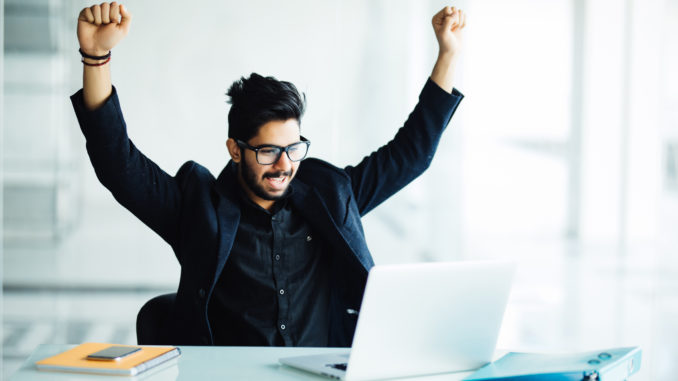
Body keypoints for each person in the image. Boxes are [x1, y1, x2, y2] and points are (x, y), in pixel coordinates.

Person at [71, 2, 466, 347]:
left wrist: (447, 54)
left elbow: (410, 155)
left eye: (294, 149)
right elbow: (118, 165)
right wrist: (95, 58)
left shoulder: (330, 195)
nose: (284, 165)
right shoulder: (198, 209)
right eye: (267, 151)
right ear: (235, 149)